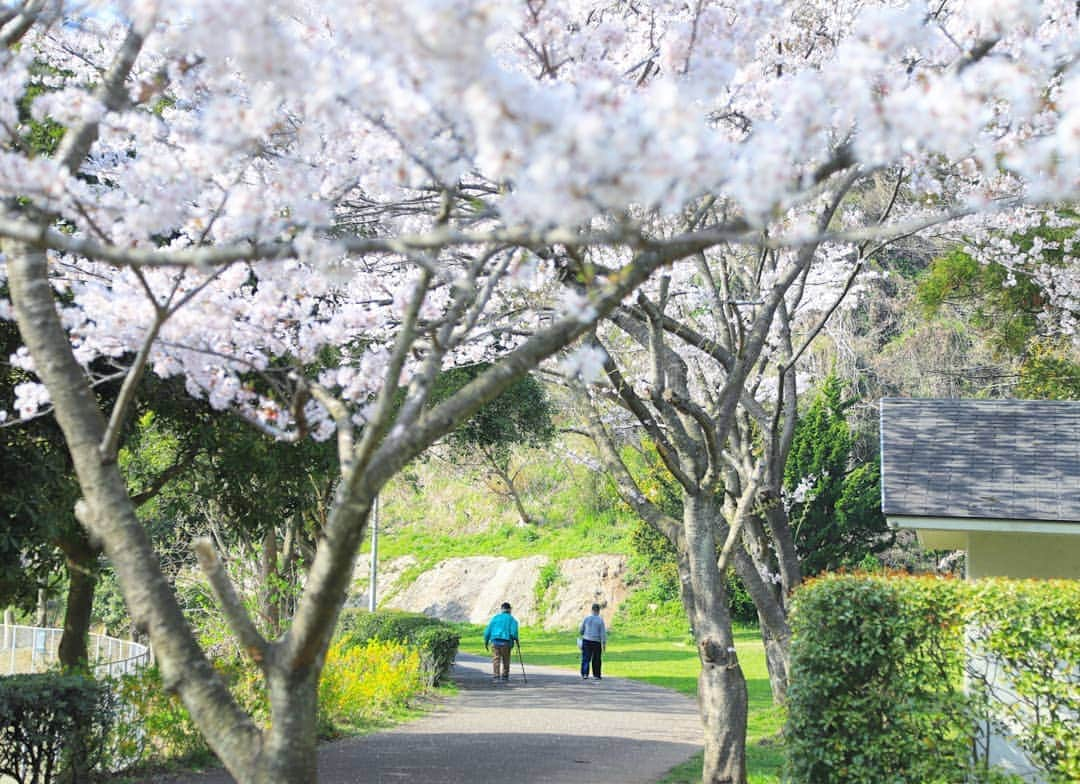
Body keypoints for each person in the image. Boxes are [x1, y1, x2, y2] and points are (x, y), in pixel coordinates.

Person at [483, 601, 519, 682]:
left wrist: (486, 642)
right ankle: (505, 676)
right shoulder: (512, 619)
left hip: (494, 641)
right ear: (510, 610)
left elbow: (487, 631)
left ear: (501, 609)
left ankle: (496, 677)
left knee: (496, 659)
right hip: (506, 642)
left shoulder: (495, 618)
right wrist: (516, 639)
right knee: (506, 659)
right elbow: (513, 633)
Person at [579, 603, 607, 680]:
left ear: (592, 610)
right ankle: (596, 675)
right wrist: (604, 644)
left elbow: (581, 630)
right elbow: (603, 633)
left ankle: (585, 673)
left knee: (586, 658)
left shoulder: (586, 618)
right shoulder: (600, 620)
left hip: (586, 640)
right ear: (598, 610)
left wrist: (583, 634)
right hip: (596, 642)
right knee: (596, 659)